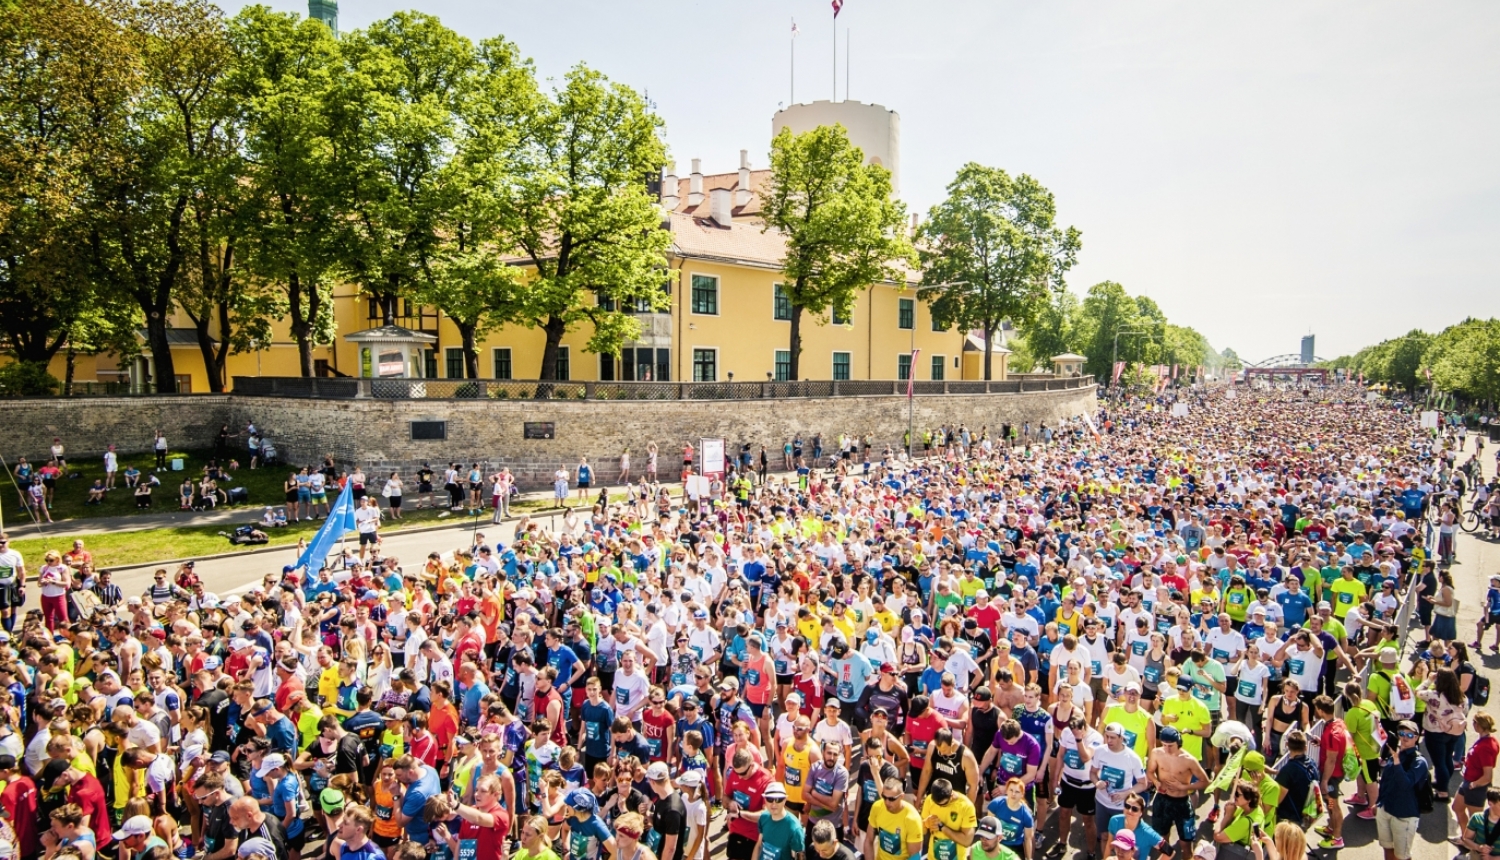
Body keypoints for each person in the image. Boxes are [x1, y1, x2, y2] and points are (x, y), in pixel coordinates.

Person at [1376, 720, 1431, 860]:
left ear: (1417, 737)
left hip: (1404, 815)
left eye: (1410, 735)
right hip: (1385, 809)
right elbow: (1385, 782)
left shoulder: (1419, 762)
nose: (1405, 737)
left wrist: (1397, 763)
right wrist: (1378, 803)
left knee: (1402, 856)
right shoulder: (1396, 754)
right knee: (1387, 849)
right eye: (1402, 733)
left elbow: (1405, 784)